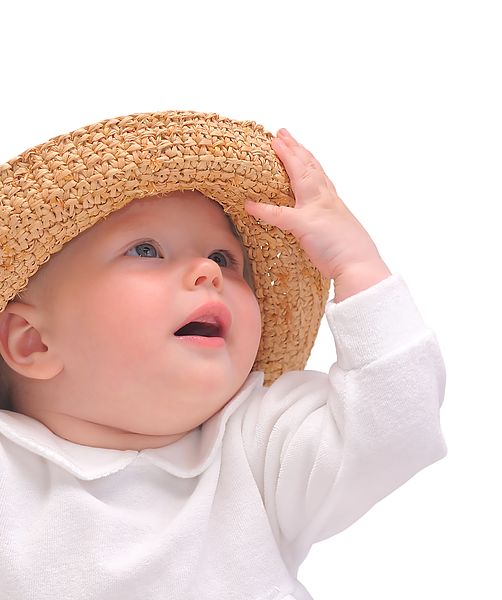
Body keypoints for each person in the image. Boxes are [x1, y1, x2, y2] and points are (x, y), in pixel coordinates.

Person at [0, 112, 446, 599]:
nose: (206, 272)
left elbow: (395, 428)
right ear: (33, 342)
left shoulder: (259, 445)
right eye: (146, 250)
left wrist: (357, 266)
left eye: (223, 259)